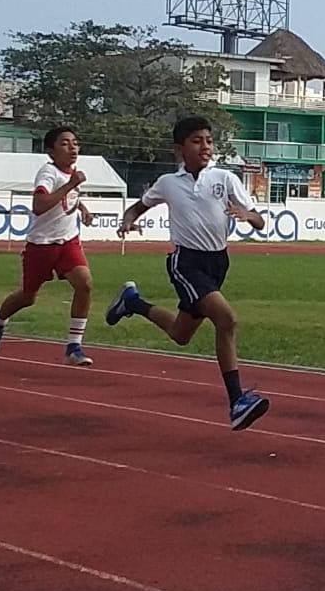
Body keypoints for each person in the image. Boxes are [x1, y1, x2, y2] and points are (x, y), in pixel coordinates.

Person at [105, 115, 271, 431]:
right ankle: (237, 400)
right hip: (186, 263)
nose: (205, 146)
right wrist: (127, 220)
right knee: (227, 319)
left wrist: (247, 215)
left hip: (218, 263)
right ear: (180, 149)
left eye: (208, 140)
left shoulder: (226, 178)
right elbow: (138, 207)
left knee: (181, 334)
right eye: (197, 140)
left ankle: (132, 302)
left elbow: (260, 221)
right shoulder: (169, 183)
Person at [0, 127, 95, 366]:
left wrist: (82, 208)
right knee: (27, 297)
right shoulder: (48, 173)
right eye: (65, 143)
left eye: (75, 143)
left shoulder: (72, 173)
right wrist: (69, 185)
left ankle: (73, 347)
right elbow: (39, 205)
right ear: (51, 151)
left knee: (85, 284)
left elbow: (70, 199)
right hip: (41, 245)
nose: (73, 148)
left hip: (68, 241)